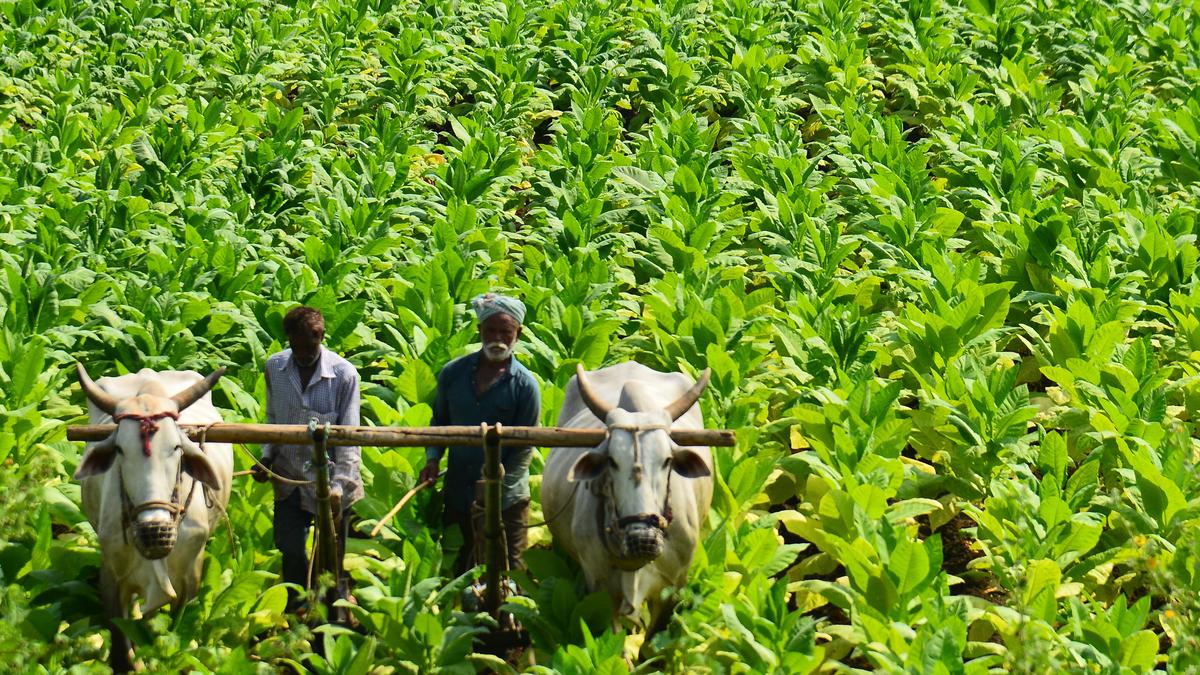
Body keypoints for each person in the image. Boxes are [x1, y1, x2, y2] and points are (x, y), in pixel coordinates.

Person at [421, 293, 541, 574]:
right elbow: (439, 422)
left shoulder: (525, 385)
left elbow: (525, 446)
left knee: (510, 570)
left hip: (507, 500)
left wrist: (496, 485)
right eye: (491, 330)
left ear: (519, 333)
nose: (497, 338)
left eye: (506, 332)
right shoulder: (453, 373)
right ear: (479, 330)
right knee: (459, 567)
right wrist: (432, 459)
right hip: (458, 492)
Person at [252, 306, 363, 613]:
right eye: (296, 347)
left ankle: (335, 604)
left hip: (333, 478)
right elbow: (272, 418)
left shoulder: (344, 374)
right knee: (289, 548)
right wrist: (266, 457)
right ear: (287, 339)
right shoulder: (275, 367)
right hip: (289, 476)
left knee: (332, 554)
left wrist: (339, 486)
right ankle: (297, 607)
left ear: (321, 337)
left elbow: (350, 437)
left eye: (309, 347)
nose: (303, 355)